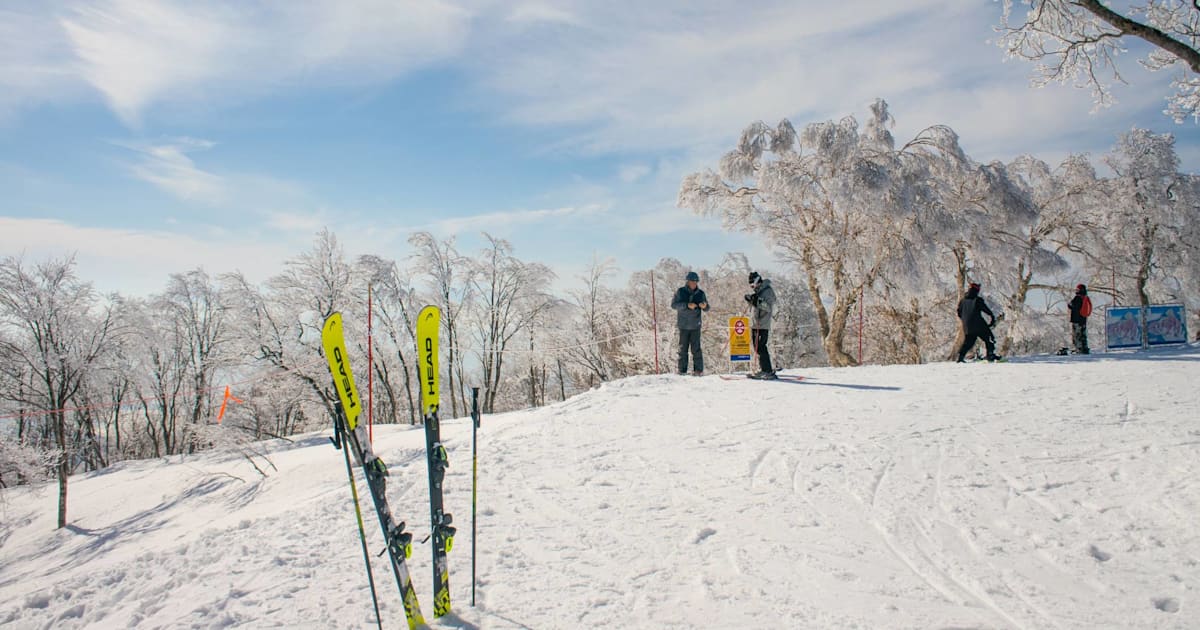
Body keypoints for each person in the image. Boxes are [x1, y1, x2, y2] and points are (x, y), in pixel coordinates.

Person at [671, 271, 709, 375]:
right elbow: (674, 305)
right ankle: (682, 370)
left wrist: (704, 306)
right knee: (683, 349)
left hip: (695, 325)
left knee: (696, 349)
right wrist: (687, 305)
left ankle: (698, 370)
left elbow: (707, 308)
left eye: (696, 282)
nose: (694, 284)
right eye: (692, 282)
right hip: (683, 325)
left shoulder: (701, 293)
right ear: (687, 281)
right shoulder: (680, 291)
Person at [744, 271, 777, 379]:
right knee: (757, 347)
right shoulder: (759, 291)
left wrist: (756, 301)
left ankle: (767, 371)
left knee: (761, 347)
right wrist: (751, 300)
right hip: (755, 324)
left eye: (752, 284)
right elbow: (756, 306)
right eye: (750, 285)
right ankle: (763, 369)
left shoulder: (767, 291)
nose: (752, 286)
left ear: (758, 281)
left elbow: (768, 307)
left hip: (762, 324)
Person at [956, 282, 1000, 362]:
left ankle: (960, 357)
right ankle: (990, 355)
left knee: (969, 341)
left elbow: (959, 312)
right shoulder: (977, 300)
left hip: (967, 326)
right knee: (989, 338)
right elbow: (986, 310)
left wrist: (965, 320)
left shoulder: (963, 301)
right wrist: (992, 316)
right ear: (977, 291)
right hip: (978, 324)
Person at [1068, 284, 1092, 354]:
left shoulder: (1077, 298)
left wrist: (1070, 304)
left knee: (1077, 335)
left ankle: (1078, 349)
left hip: (1076, 320)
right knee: (1083, 335)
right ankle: (1085, 348)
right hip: (1083, 319)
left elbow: (1071, 305)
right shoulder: (1085, 298)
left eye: (1077, 289)